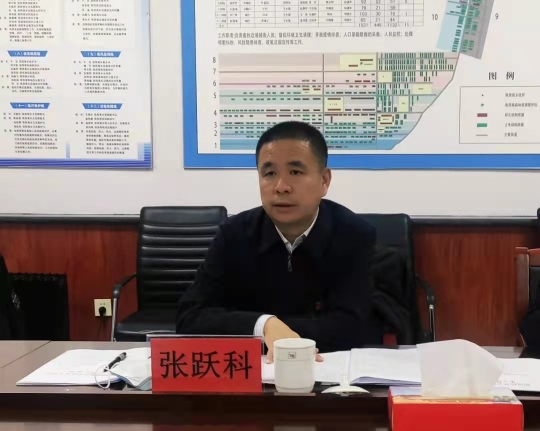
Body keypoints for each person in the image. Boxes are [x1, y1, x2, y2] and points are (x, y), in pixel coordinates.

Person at [176, 121, 376, 361]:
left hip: (327, 369)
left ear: (324, 181)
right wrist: (265, 325)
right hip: (254, 371)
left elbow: (352, 328)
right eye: (269, 173)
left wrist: (274, 333)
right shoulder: (234, 234)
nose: (281, 187)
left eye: (296, 172)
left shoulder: (353, 234)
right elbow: (190, 317)